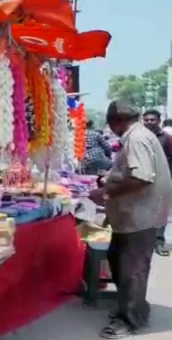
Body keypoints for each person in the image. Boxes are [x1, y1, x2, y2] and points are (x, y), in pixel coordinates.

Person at [89, 100, 172, 338]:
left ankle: (131, 320)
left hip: (140, 215)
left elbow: (141, 178)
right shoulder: (138, 135)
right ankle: (132, 308)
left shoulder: (136, 138)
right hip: (135, 214)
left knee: (132, 269)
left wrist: (105, 193)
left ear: (115, 122)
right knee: (120, 261)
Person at [142, 109, 172, 256]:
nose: (149, 122)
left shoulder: (166, 138)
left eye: (152, 120)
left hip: (161, 179)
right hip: (141, 179)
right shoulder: (139, 137)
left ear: (159, 121)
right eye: (146, 119)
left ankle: (159, 242)